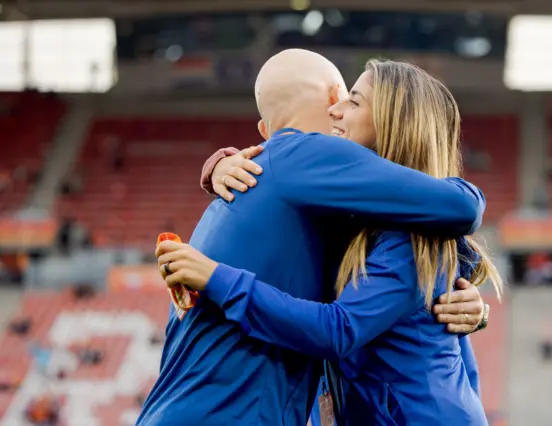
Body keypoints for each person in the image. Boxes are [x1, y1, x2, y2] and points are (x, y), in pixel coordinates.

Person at [138, 50, 488, 426]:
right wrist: (218, 165)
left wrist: (215, 275)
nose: (338, 112)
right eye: (341, 100)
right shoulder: (343, 217)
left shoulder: (403, 234)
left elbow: (339, 329)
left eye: (353, 102)